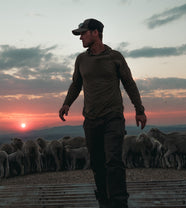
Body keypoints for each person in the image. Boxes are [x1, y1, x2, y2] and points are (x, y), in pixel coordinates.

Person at [59, 18, 147, 208]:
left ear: (95, 33)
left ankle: (119, 203)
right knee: (98, 163)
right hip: (90, 119)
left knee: (113, 161)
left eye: (83, 33)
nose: (80, 37)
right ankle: (104, 201)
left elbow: (129, 84)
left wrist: (139, 110)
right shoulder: (81, 59)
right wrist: (67, 103)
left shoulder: (115, 57)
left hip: (113, 117)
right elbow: (76, 84)